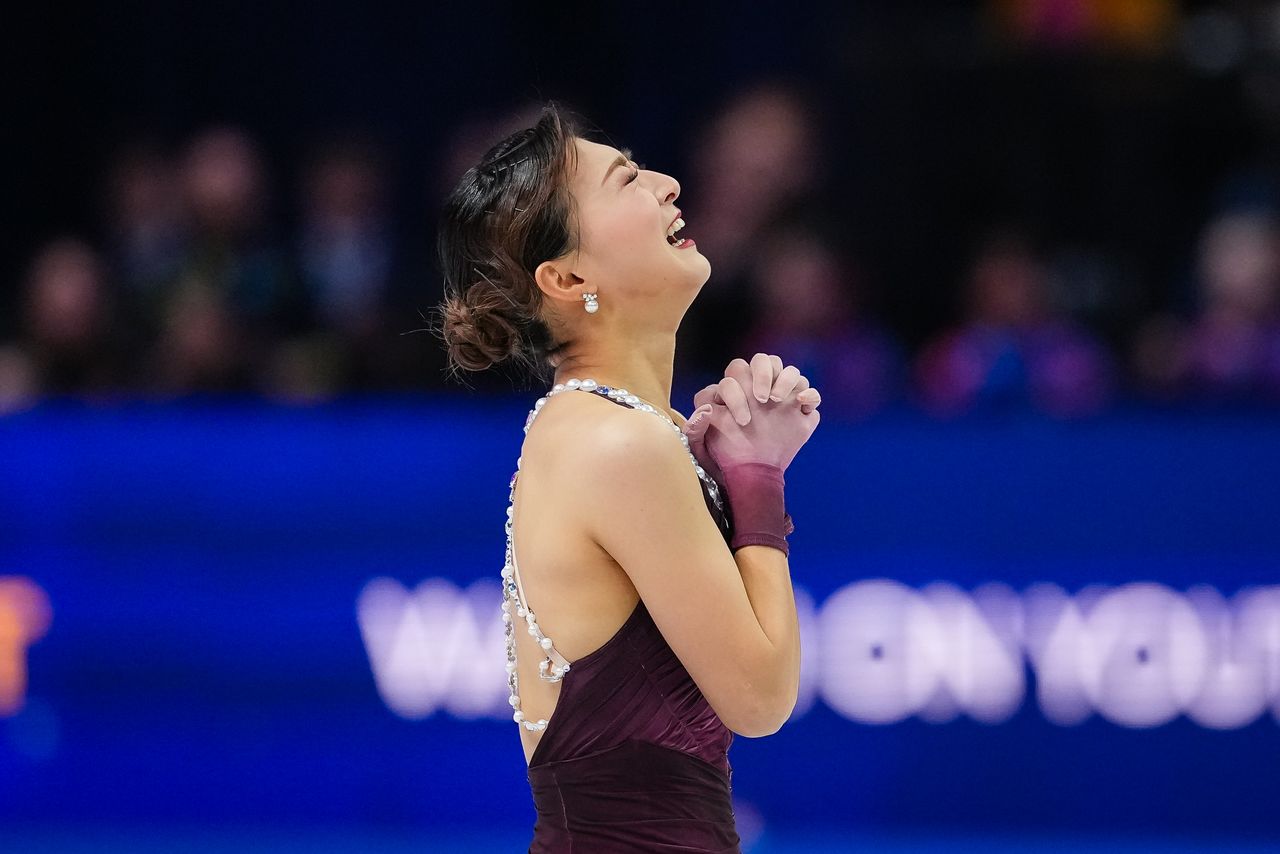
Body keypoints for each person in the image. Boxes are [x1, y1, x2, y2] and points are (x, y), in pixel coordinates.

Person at [432, 103, 823, 852]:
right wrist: (756, 482)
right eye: (628, 179)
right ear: (568, 275)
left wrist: (729, 480)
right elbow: (761, 697)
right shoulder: (616, 444)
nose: (669, 184)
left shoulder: (628, 431)